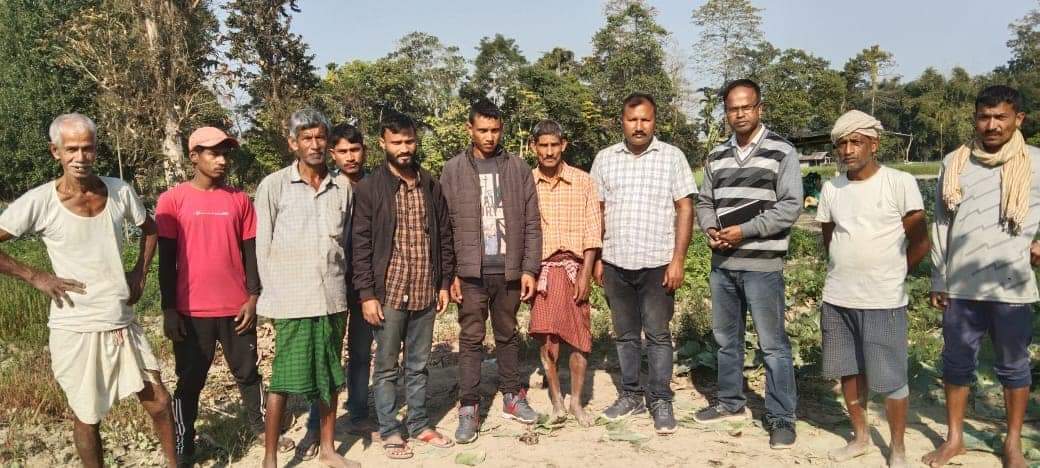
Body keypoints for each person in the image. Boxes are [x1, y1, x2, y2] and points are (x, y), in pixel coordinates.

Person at [0, 113, 175, 467]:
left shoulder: (118, 190)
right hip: (74, 327)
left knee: (159, 401)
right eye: (72, 149)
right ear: (55, 152)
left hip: (121, 320)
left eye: (88, 148)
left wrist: (139, 273)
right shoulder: (40, 201)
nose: (80, 157)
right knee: (88, 415)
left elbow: (151, 227)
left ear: (96, 150)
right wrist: (36, 276)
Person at [156, 127, 291, 465]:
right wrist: (169, 309)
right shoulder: (172, 201)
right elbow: (166, 261)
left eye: (226, 153)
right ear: (194, 157)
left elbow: (251, 254)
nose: (221, 160)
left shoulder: (239, 201)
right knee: (190, 380)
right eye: (213, 153)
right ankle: (185, 440)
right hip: (191, 311)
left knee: (247, 372)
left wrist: (253, 297)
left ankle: (261, 426)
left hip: (236, 308)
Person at [923, 85, 1039, 468]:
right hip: (962, 284)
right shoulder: (954, 163)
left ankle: (1012, 443)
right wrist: (939, 276)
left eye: (1000, 117)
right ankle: (954, 438)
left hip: (1013, 286)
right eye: (984, 117)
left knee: (1014, 366)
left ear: (1017, 119)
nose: (991, 125)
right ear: (975, 119)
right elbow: (940, 223)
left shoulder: (1035, 163)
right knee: (956, 363)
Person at [816, 110, 929, 468]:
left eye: (856, 142)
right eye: (842, 143)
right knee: (848, 370)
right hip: (838, 297)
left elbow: (921, 241)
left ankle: (897, 447)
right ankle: (861, 437)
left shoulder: (897, 183)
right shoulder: (832, 188)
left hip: (883, 299)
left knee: (891, 376)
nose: (848, 150)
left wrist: (894, 272)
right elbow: (830, 238)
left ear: (874, 144)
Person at [693, 79, 802, 449]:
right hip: (722, 263)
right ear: (726, 112)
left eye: (746, 107)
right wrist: (710, 227)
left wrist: (745, 230)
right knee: (726, 339)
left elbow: (790, 207)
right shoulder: (718, 154)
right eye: (732, 109)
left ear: (759, 108)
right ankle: (730, 402)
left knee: (772, 345)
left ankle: (781, 417)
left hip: (762, 266)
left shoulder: (781, 151)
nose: (739, 114)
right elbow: (704, 202)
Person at [254, 109, 357, 468]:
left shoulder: (341, 187)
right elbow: (262, 247)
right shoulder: (273, 186)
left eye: (319, 137)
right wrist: (271, 298)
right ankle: (270, 456)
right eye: (306, 138)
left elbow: (343, 245)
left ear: (327, 142)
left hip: (331, 298)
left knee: (329, 375)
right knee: (282, 378)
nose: (314, 145)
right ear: (292, 143)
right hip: (291, 302)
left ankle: (328, 449)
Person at [591, 93, 697, 435]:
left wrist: (677, 260)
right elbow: (598, 211)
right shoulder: (605, 159)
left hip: (657, 264)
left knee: (658, 335)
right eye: (632, 119)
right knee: (624, 336)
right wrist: (596, 258)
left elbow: (685, 208)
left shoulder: (672, 158)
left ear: (655, 121)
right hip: (616, 262)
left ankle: (661, 399)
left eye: (646, 120)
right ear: (621, 121)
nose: (639, 126)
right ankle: (631, 395)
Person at [351, 112, 456, 459]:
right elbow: (361, 244)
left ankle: (420, 424)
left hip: (425, 289)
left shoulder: (428, 182)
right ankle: (389, 429)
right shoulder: (370, 188)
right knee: (385, 368)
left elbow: (444, 234)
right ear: (383, 144)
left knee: (418, 364)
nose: (404, 148)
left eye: (409, 141)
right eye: (396, 142)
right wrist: (366, 294)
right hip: (389, 292)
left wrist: (444, 283)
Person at [440, 98, 543, 444]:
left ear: (502, 130)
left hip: (508, 270)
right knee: (470, 338)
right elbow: (445, 226)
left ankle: (512, 396)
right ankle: (469, 406)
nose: (489, 136)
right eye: (482, 130)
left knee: (508, 333)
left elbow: (531, 223)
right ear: (469, 129)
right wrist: (450, 272)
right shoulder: (453, 170)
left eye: (495, 130)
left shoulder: (518, 169)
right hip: (470, 273)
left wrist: (529, 268)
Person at [300, 123, 375, 459]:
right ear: (333, 154)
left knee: (360, 353)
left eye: (355, 150)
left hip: (366, 287)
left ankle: (358, 413)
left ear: (365, 150)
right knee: (325, 357)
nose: (350, 157)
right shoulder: (327, 187)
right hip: (330, 285)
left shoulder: (375, 185)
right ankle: (316, 425)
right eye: (342, 151)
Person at [527, 119, 602, 427]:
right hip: (543, 272)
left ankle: (577, 402)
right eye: (542, 146)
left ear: (563, 146)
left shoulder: (583, 181)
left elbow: (592, 230)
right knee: (547, 339)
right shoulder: (526, 182)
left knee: (579, 338)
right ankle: (556, 399)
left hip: (574, 271)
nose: (548, 152)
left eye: (553, 145)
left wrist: (585, 274)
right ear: (534, 148)